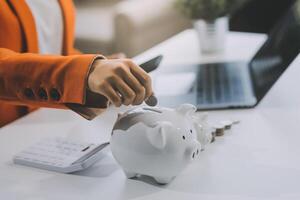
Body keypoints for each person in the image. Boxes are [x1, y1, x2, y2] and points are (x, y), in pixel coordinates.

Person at [0, 0, 153, 127]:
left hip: (50, 122)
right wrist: (85, 72)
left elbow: (51, 48)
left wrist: (101, 69)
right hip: (10, 131)